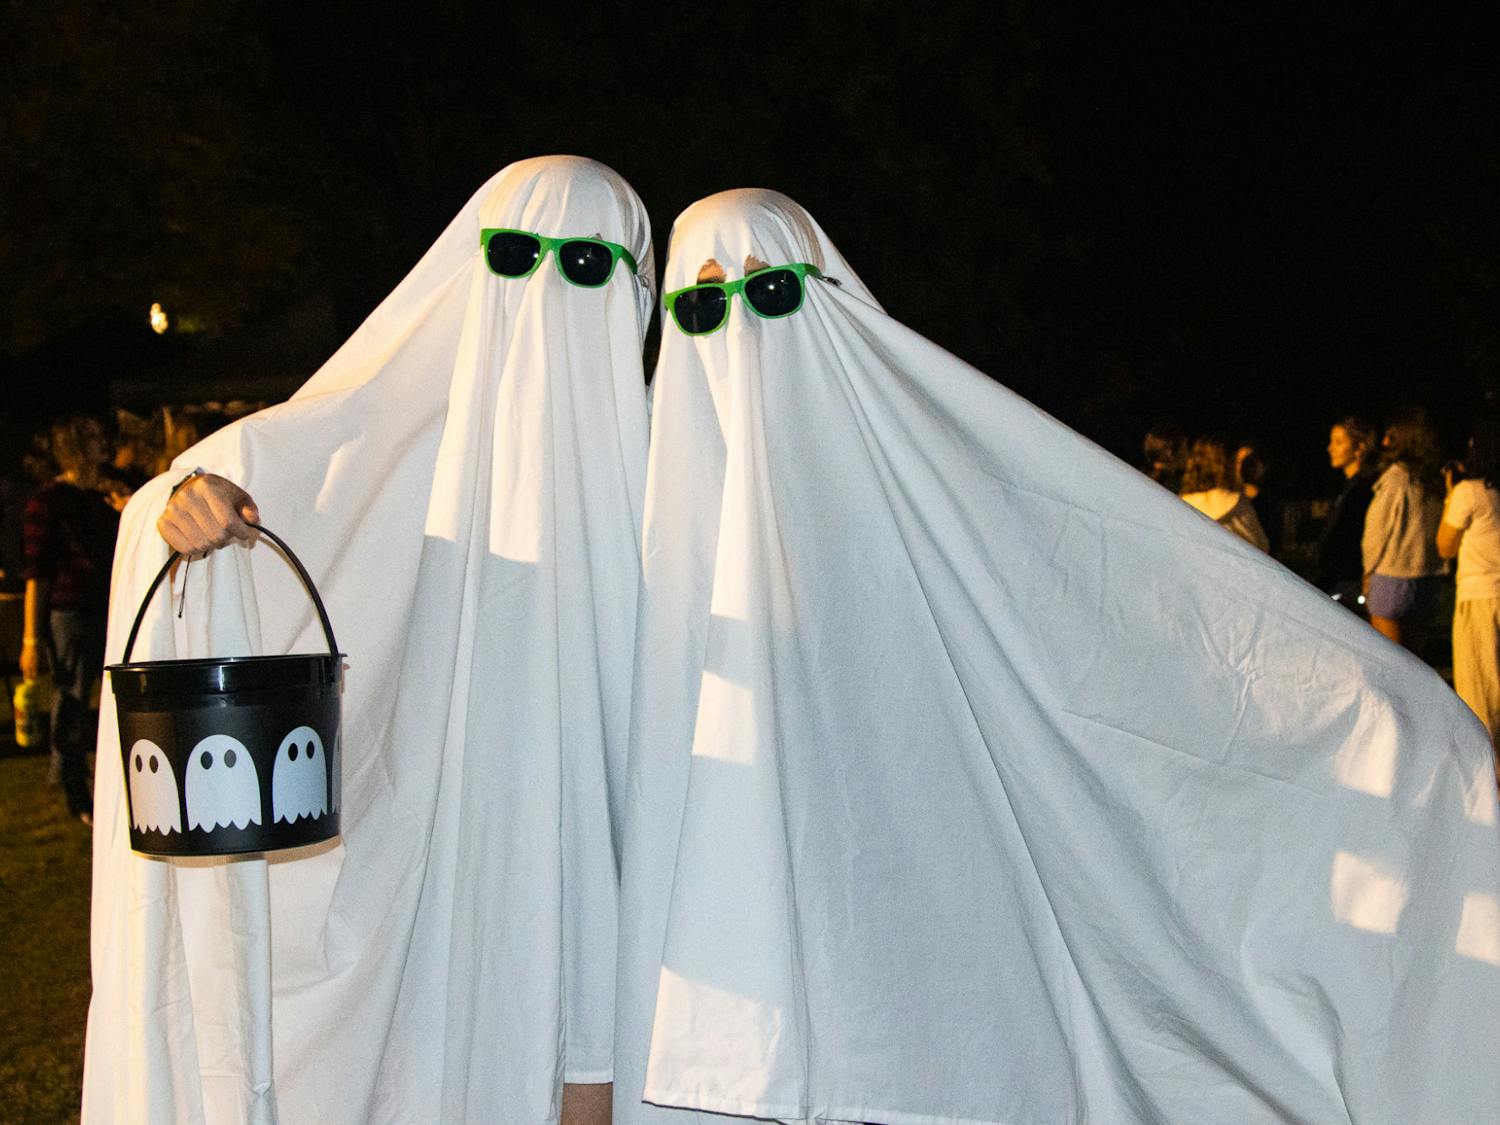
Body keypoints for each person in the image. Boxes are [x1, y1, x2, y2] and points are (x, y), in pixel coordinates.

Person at [613, 189, 1500, 1125]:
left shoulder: (921, 498)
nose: (740, 335)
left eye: (773, 295)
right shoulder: (646, 526)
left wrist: (1384, 715)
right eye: (704, 307)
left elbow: (1117, 612)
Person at [84, 157, 652, 1125]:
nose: (550, 289)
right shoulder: (390, 437)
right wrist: (187, 510)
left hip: (615, 871)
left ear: (637, 289)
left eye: (589, 269)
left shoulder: (670, 474)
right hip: (448, 861)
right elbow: (242, 494)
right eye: (518, 255)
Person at [20, 415, 121, 823]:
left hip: (113, 609)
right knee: (74, 701)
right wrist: (31, 638)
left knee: (119, 699)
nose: (104, 442)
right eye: (93, 435)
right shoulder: (50, 501)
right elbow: (37, 574)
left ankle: (116, 783)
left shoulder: (115, 490)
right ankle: (75, 787)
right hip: (73, 613)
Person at [1438, 411, 1500, 775]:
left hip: (1479, 599)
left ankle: (1488, 782)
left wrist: (1450, 495)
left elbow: (1445, 545)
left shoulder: (1469, 492)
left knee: (1480, 694)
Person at [1362, 408, 1446, 652]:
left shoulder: (1395, 479)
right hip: (1428, 578)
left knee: (1392, 663)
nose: (1384, 442)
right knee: (1415, 661)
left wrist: (1368, 570)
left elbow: (1377, 532)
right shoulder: (1435, 481)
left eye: (1391, 436)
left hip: (1392, 577)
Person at [1316, 415, 1378, 606]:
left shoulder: (1364, 488)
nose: (1330, 448)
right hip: (1336, 578)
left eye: (1338, 442)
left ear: (1359, 448)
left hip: (1348, 581)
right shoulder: (1347, 487)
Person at [1177, 435, 1270, 550]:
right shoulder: (1236, 504)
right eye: (1235, 461)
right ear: (1224, 465)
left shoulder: (1179, 505)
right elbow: (1261, 547)